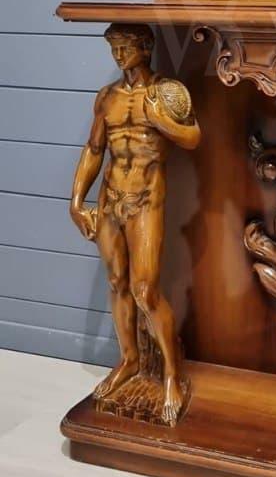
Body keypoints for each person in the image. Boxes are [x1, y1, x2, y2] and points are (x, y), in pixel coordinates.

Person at [69, 23, 200, 425]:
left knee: (145, 291)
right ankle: (129, 360)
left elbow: (193, 138)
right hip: (110, 199)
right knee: (117, 283)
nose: (118, 54)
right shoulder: (107, 97)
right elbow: (94, 150)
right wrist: (76, 201)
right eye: (113, 47)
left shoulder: (165, 93)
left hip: (145, 201)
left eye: (125, 46)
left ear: (146, 47)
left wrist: (161, 122)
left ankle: (172, 374)